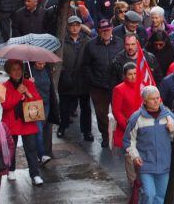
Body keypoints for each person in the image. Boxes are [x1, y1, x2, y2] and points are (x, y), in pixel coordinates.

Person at [124, 86, 174, 204]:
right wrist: (135, 157)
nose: (157, 101)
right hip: (145, 164)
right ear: (145, 101)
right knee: (148, 194)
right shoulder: (136, 118)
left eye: (158, 98)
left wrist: (172, 130)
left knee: (161, 196)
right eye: (153, 99)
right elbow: (129, 141)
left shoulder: (169, 116)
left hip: (164, 164)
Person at [82, 19, 125, 148]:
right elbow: (86, 66)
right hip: (98, 86)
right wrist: (93, 80)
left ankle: (120, 135)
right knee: (101, 114)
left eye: (107, 29)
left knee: (120, 111)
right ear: (98, 31)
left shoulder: (120, 43)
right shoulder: (91, 45)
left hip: (116, 84)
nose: (105, 32)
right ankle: (106, 136)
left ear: (111, 29)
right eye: (102, 30)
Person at [2, 59, 44, 185]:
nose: (17, 72)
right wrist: (17, 93)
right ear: (9, 72)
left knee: (31, 149)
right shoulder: (4, 86)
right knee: (11, 148)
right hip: (11, 122)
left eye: (19, 69)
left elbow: (38, 102)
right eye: (14, 69)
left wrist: (28, 93)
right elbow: (6, 105)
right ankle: (11, 169)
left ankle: (35, 174)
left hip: (28, 122)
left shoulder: (28, 83)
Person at [59, 16, 93, 140]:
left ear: (80, 26)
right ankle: (62, 127)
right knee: (64, 107)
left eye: (77, 25)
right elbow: (58, 61)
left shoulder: (87, 41)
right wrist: (63, 73)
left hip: (83, 80)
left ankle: (87, 131)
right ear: (68, 27)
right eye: (72, 25)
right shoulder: (62, 41)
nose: (74, 27)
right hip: (67, 79)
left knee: (85, 108)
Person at [112, 63, 141, 185]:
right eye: (130, 74)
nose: (133, 76)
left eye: (135, 73)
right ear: (124, 75)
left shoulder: (142, 86)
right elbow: (116, 111)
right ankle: (133, 183)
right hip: (128, 129)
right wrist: (128, 126)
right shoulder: (119, 89)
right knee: (130, 156)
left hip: (143, 127)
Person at [30, 61, 55, 166]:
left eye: (43, 63)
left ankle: (42, 153)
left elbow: (51, 87)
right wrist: (29, 82)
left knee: (45, 128)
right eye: (39, 63)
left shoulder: (47, 70)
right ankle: (41, 155)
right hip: (35, 104)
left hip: (46, 103)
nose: (41, 65)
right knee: (38, 130)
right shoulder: (28, 70)